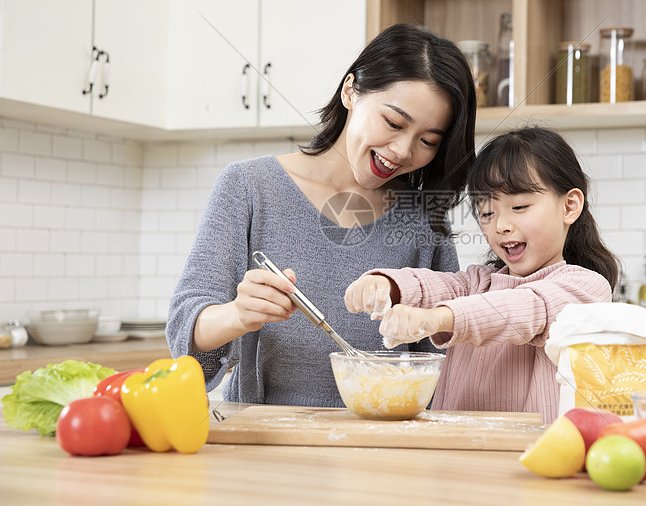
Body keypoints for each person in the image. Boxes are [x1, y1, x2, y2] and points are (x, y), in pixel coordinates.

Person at [167, 23, 477, 407]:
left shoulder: (423, 217)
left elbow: (446, 357)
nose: (401, 150)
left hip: (386, 445)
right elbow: (185, 336)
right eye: (394, 123)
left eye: (428, 141)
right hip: (266, 440)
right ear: (351, 91)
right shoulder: (248, 186)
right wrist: (238, 315)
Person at [344, 126, 619, 423]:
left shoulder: (586, 288)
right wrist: (385, 285)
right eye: (486, 213)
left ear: (569, 206)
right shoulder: (478, 283)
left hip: (533, 456)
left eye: (519, 206)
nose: (500, 225)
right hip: (455, 454)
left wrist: (436, 319)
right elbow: (435, 284)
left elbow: (526, 308)